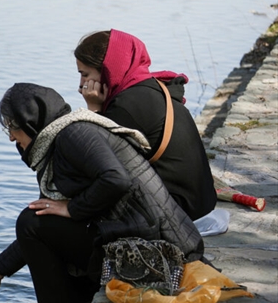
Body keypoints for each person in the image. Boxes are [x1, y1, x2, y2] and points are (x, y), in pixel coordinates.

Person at [0, 83, 204, 303]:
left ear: (30, 122)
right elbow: (49, 220)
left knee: (30, 220)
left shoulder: (74, 135)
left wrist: (72, 209)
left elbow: (116, 179)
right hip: (141, 234)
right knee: (39, 219)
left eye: (11, 127)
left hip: (159, 247)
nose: (12, 138)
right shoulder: (62, 137)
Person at [74, 30, 218, 224]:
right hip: (199, 202)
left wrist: (93, 110)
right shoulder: (150, 87)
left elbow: (94, 162)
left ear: (108, 71)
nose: (81, 84)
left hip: (181, 212)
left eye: (85, 75)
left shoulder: (128, 106)